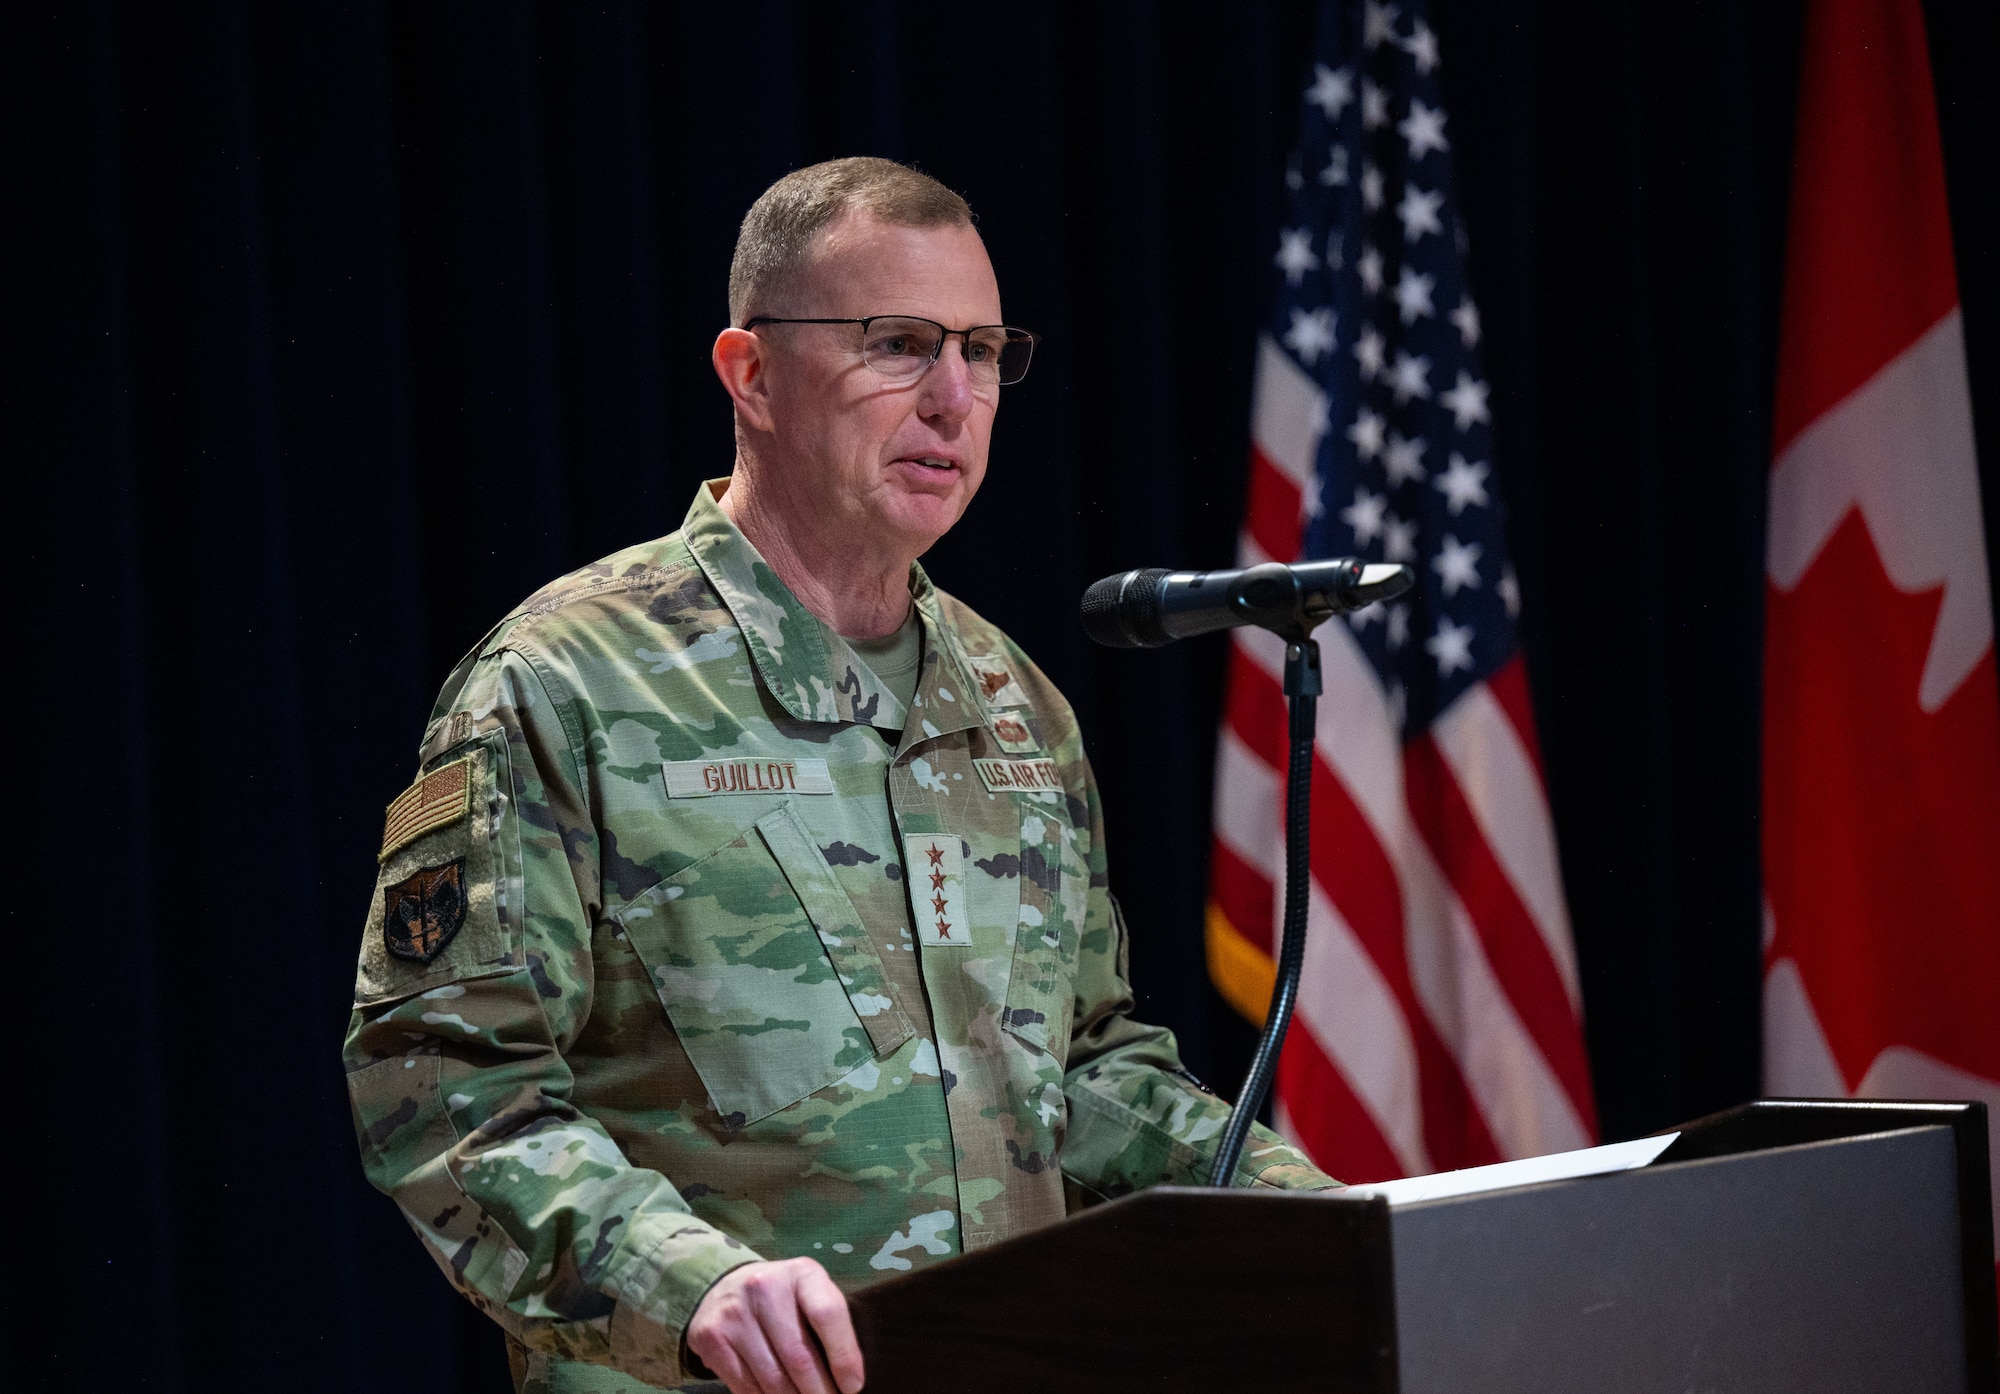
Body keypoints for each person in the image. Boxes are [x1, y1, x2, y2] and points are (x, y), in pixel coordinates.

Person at [343, 156, 1339, 1394]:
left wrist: (1317, 1213)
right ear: (749, 374)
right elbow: (442, 1083)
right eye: (897, 343)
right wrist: (689, 1279)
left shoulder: (1012, 700)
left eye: (981, 350)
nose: (952, 398)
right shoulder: (565, 681)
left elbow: (1080, 1072)